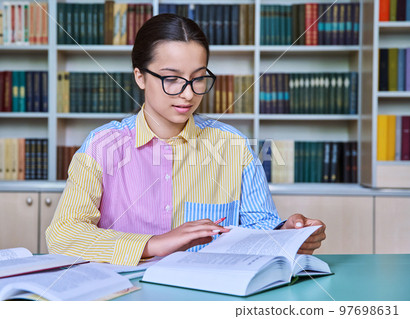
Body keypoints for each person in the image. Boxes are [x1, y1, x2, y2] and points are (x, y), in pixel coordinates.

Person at [46, 13, 326, 266]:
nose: (189, 94)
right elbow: (64, 234)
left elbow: (258, 228)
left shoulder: (233, 145)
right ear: (140, 77)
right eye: (172, 79)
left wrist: (286, 234)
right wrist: (152, 244)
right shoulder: (101, 146)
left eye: (198, 78)